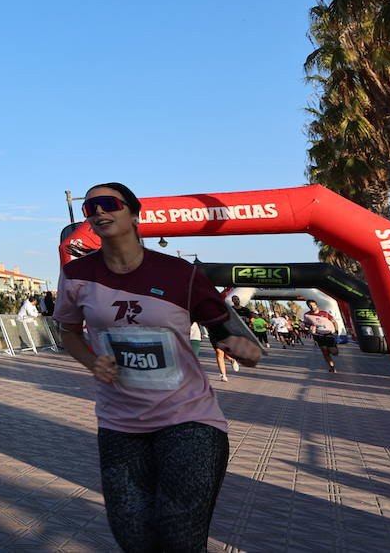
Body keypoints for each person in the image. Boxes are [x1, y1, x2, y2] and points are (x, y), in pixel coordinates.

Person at [55, 183, 260, 553]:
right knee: (134, 535)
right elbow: (68, 332)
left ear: (134, 214)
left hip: (190, 420)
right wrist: (92, 362)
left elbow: (221, 326)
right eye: (90, 208)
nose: (98, 212)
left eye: (108, 204)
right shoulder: (77, 275)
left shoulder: (180, 273)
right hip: (119, 424)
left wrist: (238, 346)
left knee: (180, 536)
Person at [302, 299, 340, 373]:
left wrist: (336, 331)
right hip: (318, 335)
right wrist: (310, 326)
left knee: (334, 352)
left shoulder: (325, 313)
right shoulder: (307, 315)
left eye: (313, 305)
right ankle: (332, 367)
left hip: (328, 334)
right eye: (310, 305)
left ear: (316, 305)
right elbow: (306, 324)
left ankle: (332, 349)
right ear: (308, 306)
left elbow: (334, 322)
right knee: (324, 351)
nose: (312, 307)